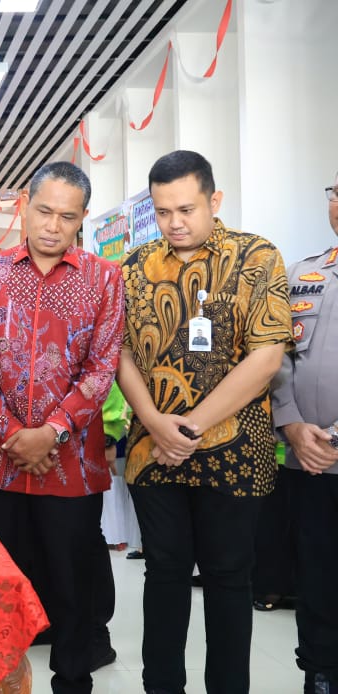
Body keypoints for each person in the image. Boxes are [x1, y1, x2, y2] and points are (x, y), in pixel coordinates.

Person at [116, 150, 292, 694]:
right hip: (154, 449)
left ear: (214, 200)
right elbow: (119, 353)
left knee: (227, 579)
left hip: (238, 449)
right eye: (163, 211)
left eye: (187, 208)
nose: (175, 222)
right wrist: (153, 421)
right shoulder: (133, 267)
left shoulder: (258, 258)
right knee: (165, 574)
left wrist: (187, 427)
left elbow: (266, 357)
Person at [0, 161, 124, 693]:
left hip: (72, 465)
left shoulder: (104, 278)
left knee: (72, 585)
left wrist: (49, 433)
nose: (53, 226)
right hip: (0, 463)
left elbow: (102, 369)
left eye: (68, 217)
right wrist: (14, 436)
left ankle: (73, 680)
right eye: (45, 211)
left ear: (82, 220)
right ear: (24, 206)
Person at [270, 173, 338, 693]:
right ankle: (319, 673)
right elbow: (278, 360)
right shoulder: (302, 275)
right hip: (307, 462)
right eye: (336, 194)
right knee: (316, 575)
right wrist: (291, 424)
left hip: (327, 450)